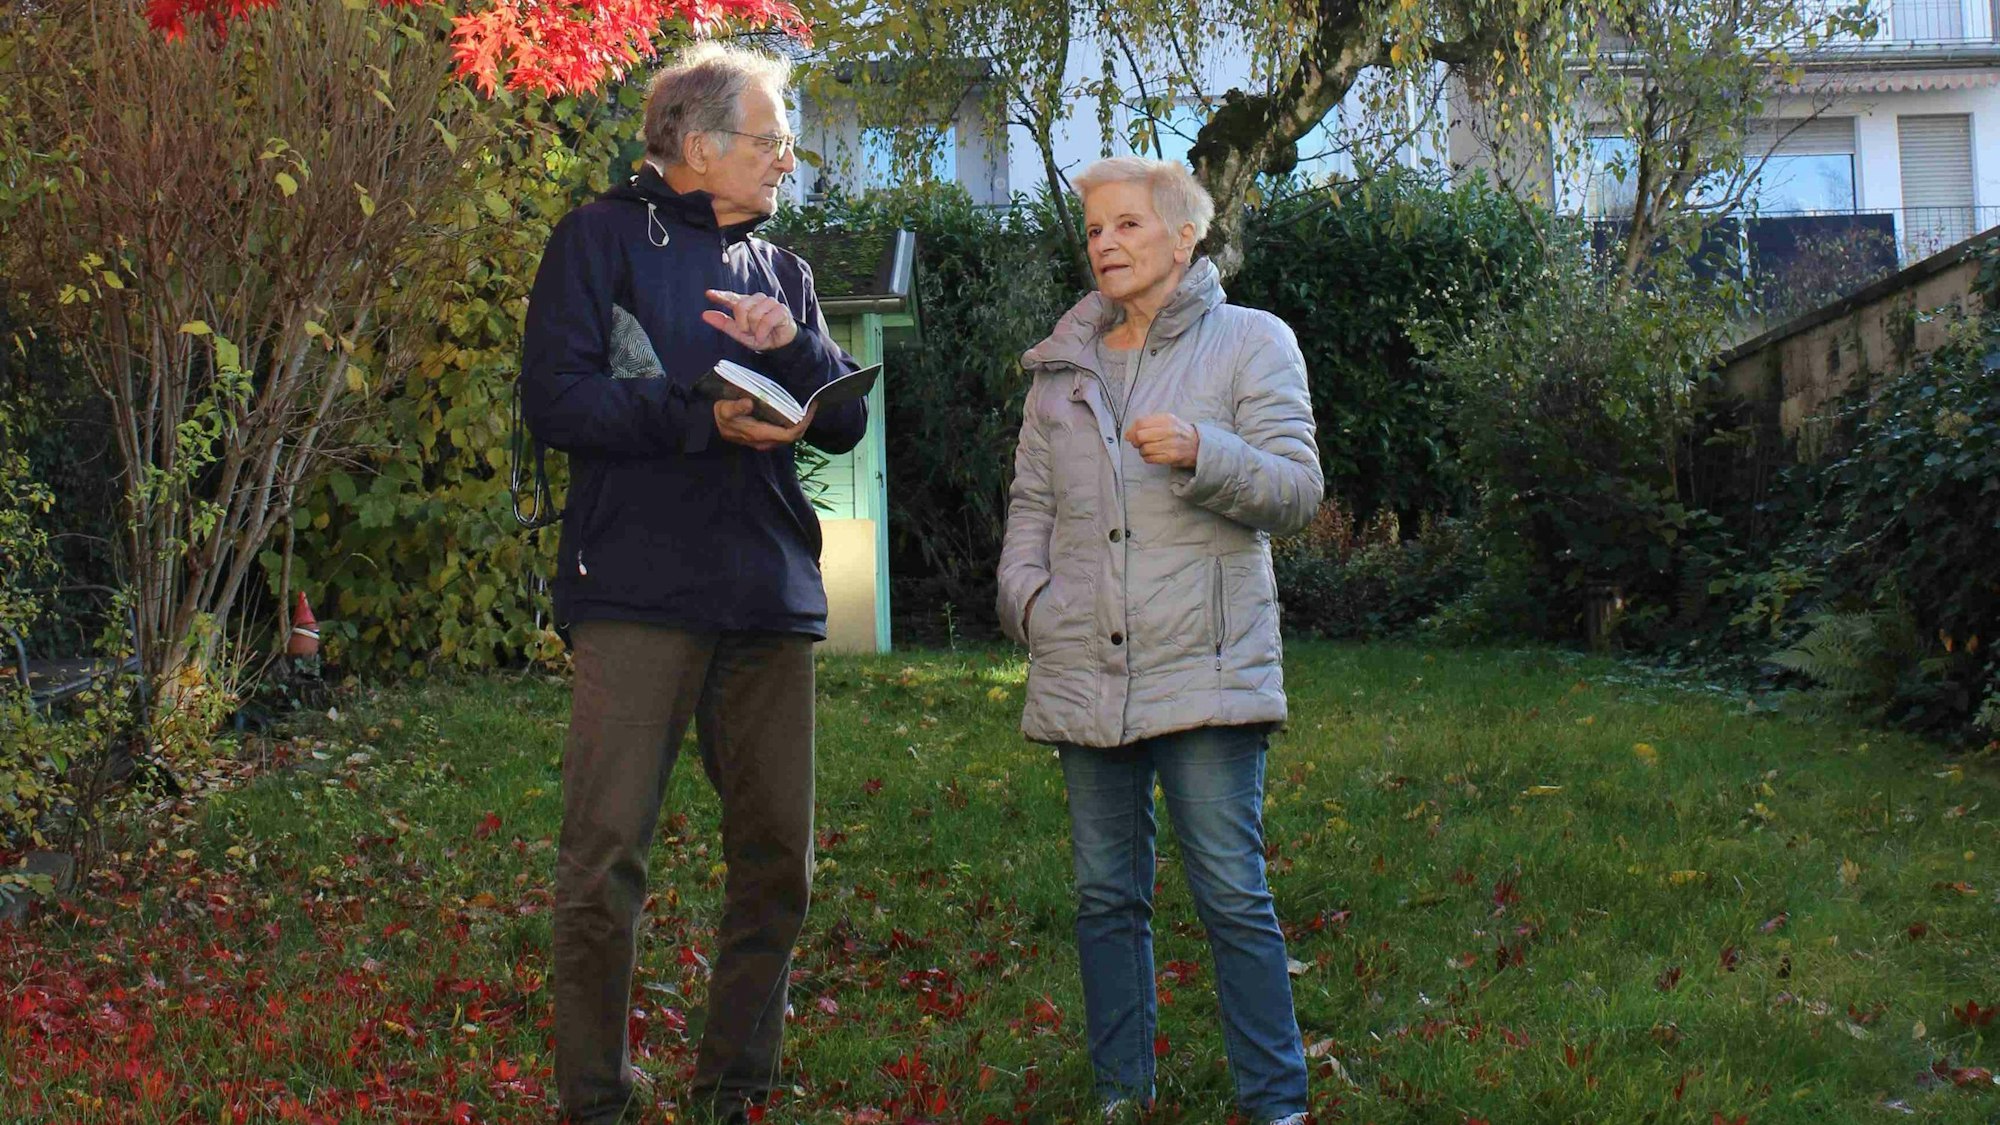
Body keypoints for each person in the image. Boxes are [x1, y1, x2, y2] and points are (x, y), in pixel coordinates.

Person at [517, 41, 866, 1125]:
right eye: (769, 142)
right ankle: (596, 1104)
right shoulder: (595, 240)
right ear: (700, 143)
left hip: (767, 593)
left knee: (778, 864)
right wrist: (693, 416)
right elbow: (556, 402)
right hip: (633, 589)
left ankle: (731, 1094)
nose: (785, 161)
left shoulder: (782, 269)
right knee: (604, 859)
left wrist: (797, 348)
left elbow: (841, 421)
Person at [996, 156, 1323, 1125]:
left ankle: (1275, 1104)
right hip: (1081, 661)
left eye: (1128, 226)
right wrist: (1026, 598)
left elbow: (1296, 492)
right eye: (1094, 229)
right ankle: (1118, 1096)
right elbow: (1031, 504)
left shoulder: (1250, 343)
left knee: (1229, 895)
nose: (1104, 243)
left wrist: (1201, 450)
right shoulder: (1059, 366)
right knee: (1103, 897)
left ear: (1184, 238)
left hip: (1206, 662)